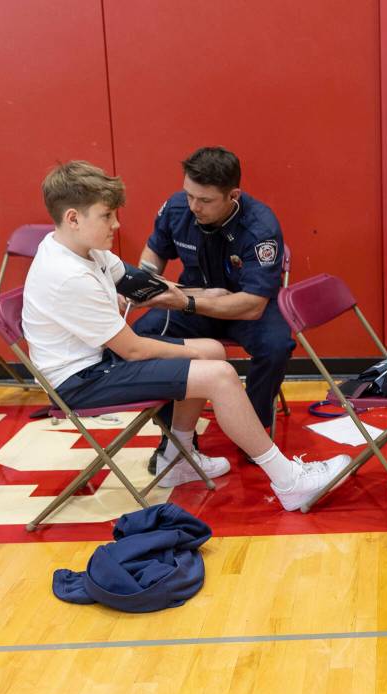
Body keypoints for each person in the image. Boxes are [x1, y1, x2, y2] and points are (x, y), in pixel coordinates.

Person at [22, 161, 348, 510]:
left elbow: (142, 283)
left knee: (210, 350)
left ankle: (177, 458)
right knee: (219, 374)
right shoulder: (69, 275)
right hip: (80, 381)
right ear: (73, 218)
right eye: (107, 216)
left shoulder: (83, 250)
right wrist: (197, 335)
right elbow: (132, 349)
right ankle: (289, 481)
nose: (116, 224)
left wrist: (203, 296)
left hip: (100, 361)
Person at [133, 146, 292, 470]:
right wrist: (145, 282)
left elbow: (253, 305)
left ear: (233, 195)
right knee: (146, 334)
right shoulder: (177, 208)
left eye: (204, 201)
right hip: (195, 303)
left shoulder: (260, 226)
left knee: (277, 345)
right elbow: (153, 253)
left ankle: (254, 429)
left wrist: (189, 301)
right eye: (189, 194)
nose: (193, 206)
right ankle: (176, 441)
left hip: (242, 306)